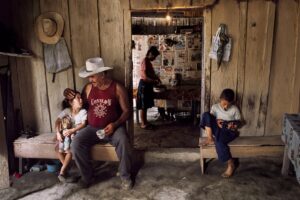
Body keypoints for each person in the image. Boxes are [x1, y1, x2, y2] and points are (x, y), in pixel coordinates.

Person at [64, 57, 132, 190]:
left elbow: (127, 111)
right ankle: (87, 176)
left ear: (102, 74)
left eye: (93, 76)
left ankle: (125, 176)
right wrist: (67, 93)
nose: (90, 80)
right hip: (92, 129)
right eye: (89, 77)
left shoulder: (117, 88)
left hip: (113, 128)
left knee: (123, 140)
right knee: (76, 143)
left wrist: (115, 124)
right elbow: (77, 103)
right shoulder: (88, 88)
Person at [200, 88, 241, 178]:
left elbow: (239, 123)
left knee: (219, 142)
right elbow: (209, 121)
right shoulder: (215, 107)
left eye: (228, 104)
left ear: (232, 102)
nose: (226, 106)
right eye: (224, 104)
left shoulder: (235, 109)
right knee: (206, 115)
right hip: (218, 129)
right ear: (220, 99)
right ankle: (210, 138)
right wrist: (217, 120)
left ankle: (231, 164)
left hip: (229, 132)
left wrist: (233, 125)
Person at [55, 91, 87, 182]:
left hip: (76, 134)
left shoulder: (83, 112)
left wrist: (72, 130)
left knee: (70, 149)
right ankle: (67, 169)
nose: (81, 100)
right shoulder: (67, 111)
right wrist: (58, 133)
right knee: (57, 148)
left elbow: (84, 124)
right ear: (71, 102)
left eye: (81, 98)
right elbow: (57, 121)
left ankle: (62, 172)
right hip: (65, 134)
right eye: (78, 98)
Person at [136, 46, 161, 129]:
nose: (154, 58)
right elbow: (145, 76)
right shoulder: (145, 61)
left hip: (147, 85)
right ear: (150, 54)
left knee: (145, 106)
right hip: (144, 85)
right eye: (154, 56)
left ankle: (145, 122)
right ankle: (143, 124)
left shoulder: (148, 62)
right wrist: (154, 81)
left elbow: (150, 74)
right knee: (143, 106)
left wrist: (156, 78)